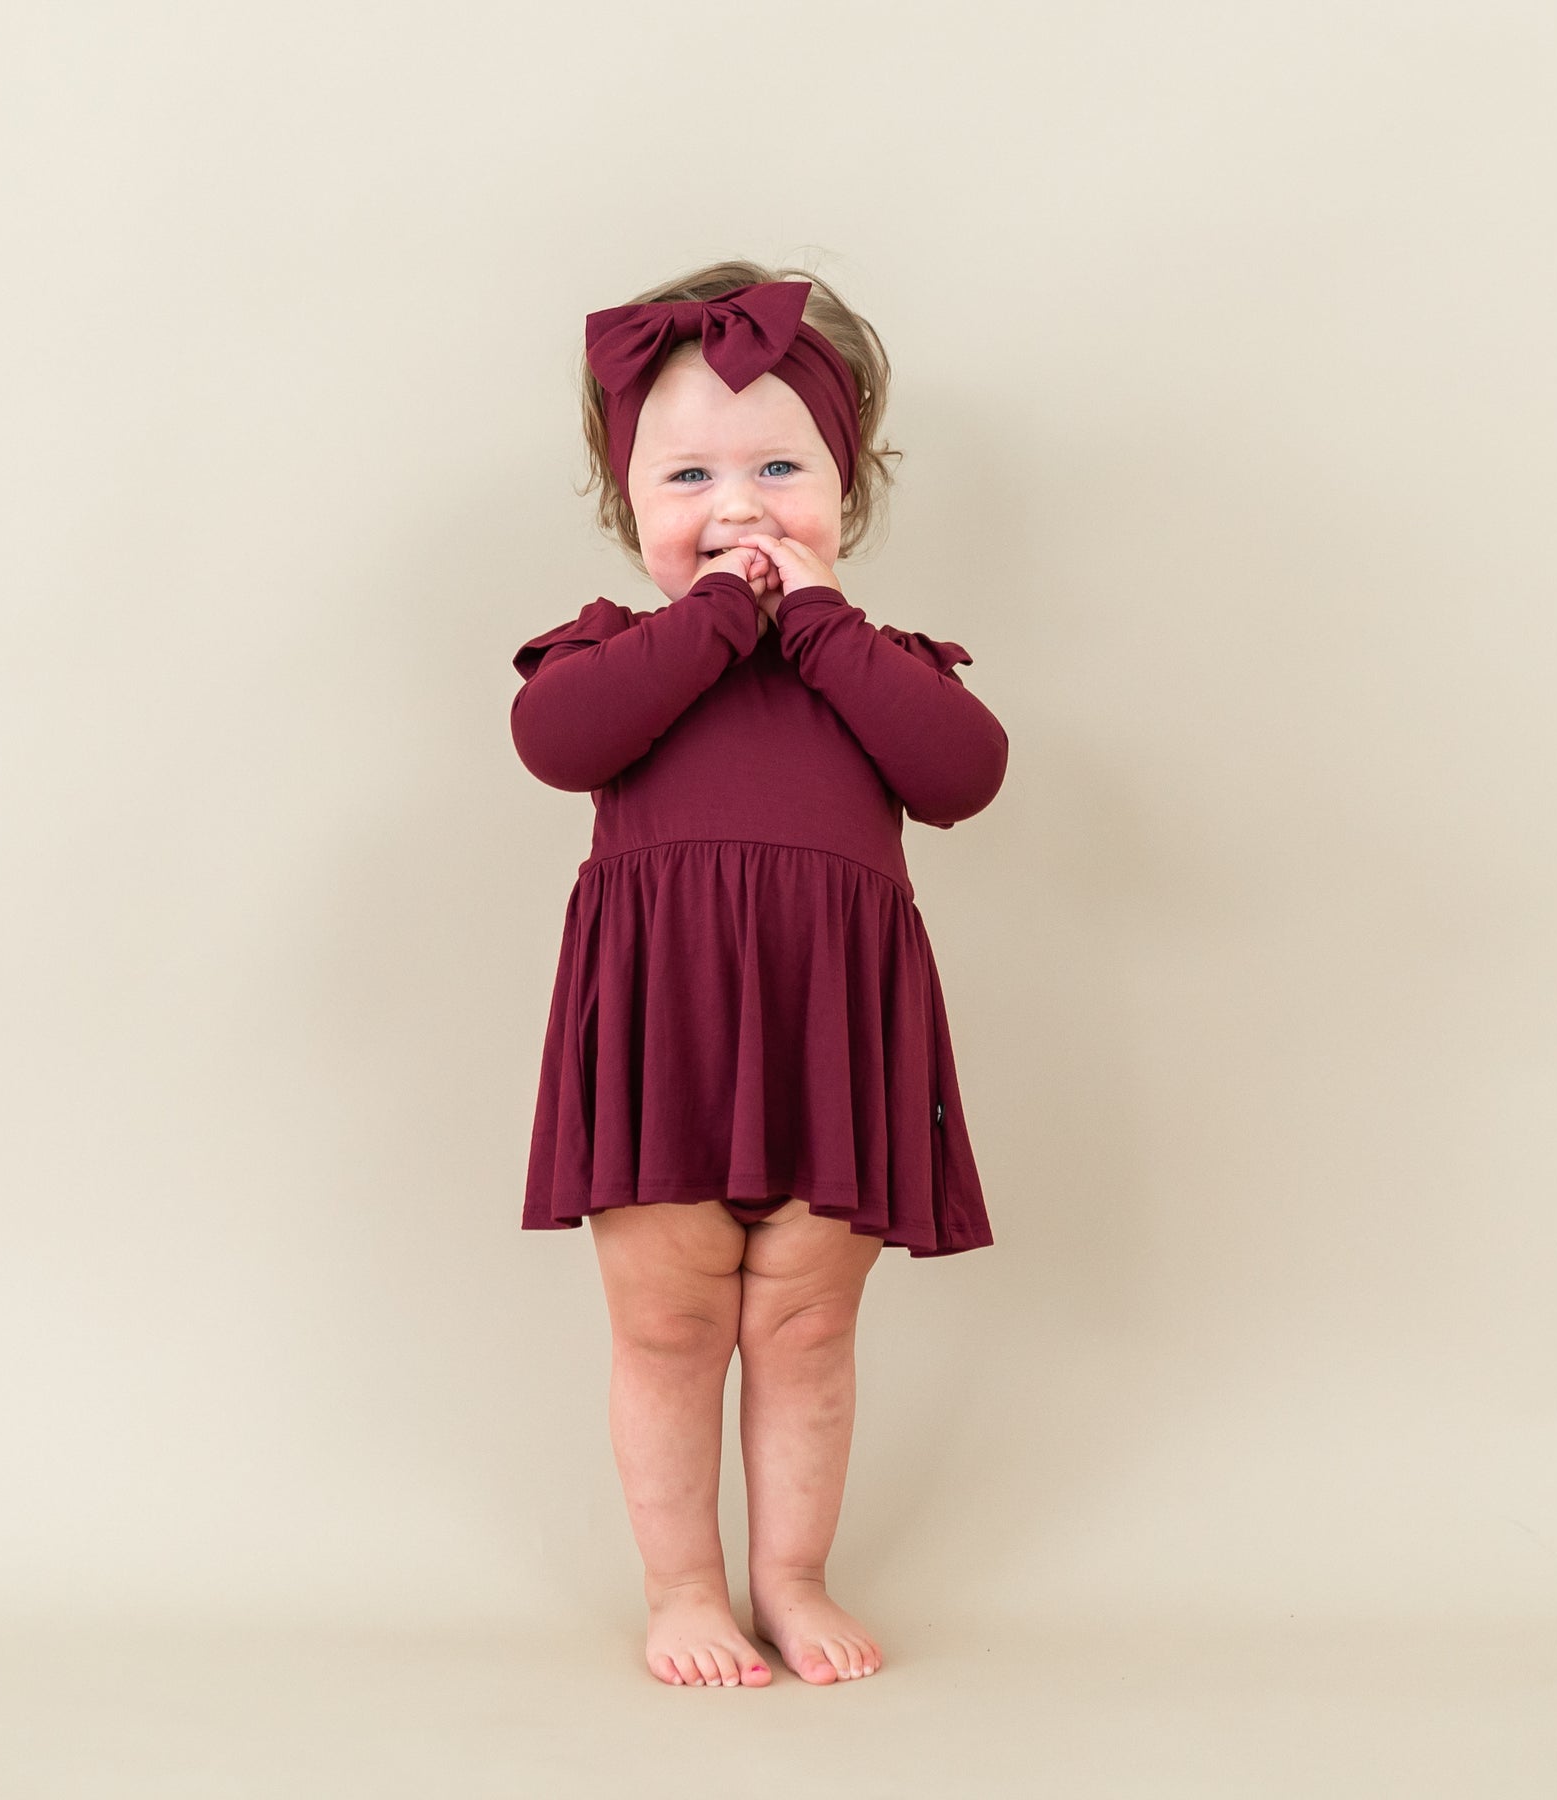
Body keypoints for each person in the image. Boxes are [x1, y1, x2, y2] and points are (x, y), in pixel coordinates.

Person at [507, 262, 1009, 1690]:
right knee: (670, 1324)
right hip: (672, 1032)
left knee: (803, 1322)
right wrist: (719, 620)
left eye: (780, 466)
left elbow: (962, 776)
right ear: (630, 510)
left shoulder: (875, 663)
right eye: (690, 478)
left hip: (828, 1036)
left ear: (846, 493)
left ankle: (791, 1575)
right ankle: (684, 1588)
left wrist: (819, 626)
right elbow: (560, 745)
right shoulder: (614, 655)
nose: (738, 507)